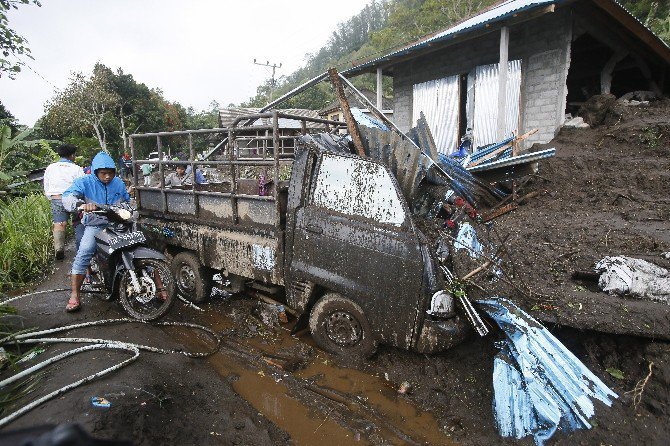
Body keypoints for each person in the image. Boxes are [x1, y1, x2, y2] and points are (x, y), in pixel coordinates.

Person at [62, 151, 131, 312]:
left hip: (117, 223)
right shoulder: (84, 182)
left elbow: (127, 200)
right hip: (95, 224)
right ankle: (74, 295)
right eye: (103, 173)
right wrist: (80, 204)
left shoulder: (119, 183)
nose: (107, 177)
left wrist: (128, 207)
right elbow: (68, 196)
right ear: (95, 172)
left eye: (110, 173)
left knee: (136, 246)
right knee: (84, 252)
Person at [43, 144, 85, 260]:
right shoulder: (77, 168)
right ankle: (81, 249)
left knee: (60, 224)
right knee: (79, 223)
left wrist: (51, 197)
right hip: (73, 198)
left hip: (56, 197)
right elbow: (82, 185)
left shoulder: (50, 167)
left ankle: (59, 248)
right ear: (72, 155)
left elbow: (46, 185)